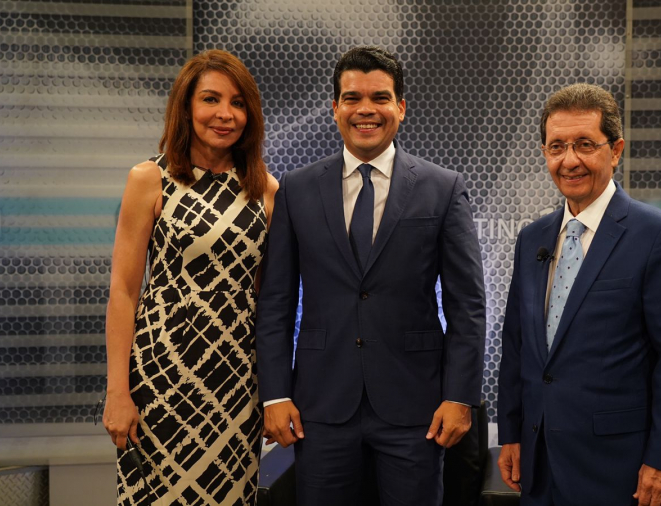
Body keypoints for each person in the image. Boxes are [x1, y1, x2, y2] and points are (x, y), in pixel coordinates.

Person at [255, 45, 486, 506]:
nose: (366, 109)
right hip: (320, 406)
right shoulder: (296, 189)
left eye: (380, 97)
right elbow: (276, 301)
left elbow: (468, 305)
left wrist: (460, 397)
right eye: (352, 98)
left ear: (401, 107)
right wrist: (274, 395)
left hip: (416, 407)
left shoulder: (442, 188)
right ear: (334, 108)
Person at [497, 83, 661, 506]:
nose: (569, 160)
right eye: (557, 147)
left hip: (617, 468)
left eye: (585, 145)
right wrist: (512, 433)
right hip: (538, 464)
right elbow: (517, 346)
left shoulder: (660, 236)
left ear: (616, 150)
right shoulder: (532, 238)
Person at [102, 49, 278, 504]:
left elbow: (268, 303)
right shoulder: (150, 178)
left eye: (237, 103)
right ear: (186, 107)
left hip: (237, 383)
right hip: (160, 377)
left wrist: (275, 393)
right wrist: (117, 392)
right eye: (211, 99)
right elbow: (123, 292)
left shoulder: (266, 190)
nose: (225, 114)